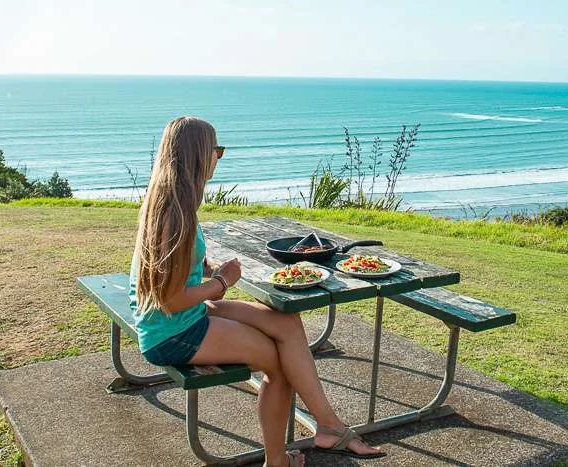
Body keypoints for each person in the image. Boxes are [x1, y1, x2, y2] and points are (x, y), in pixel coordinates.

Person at [129, 117, 385, 467]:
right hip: (171, 331)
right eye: (216, 150)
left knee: (286, 323)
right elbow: (169, 300)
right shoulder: (176, 215)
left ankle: (328, 425)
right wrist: (221, 283)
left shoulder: (172, 201)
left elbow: (171, 274)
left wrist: (202, 270)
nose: (219, 157)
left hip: (180, 317)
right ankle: (278, 461)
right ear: (199, 156)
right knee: (277, 363)